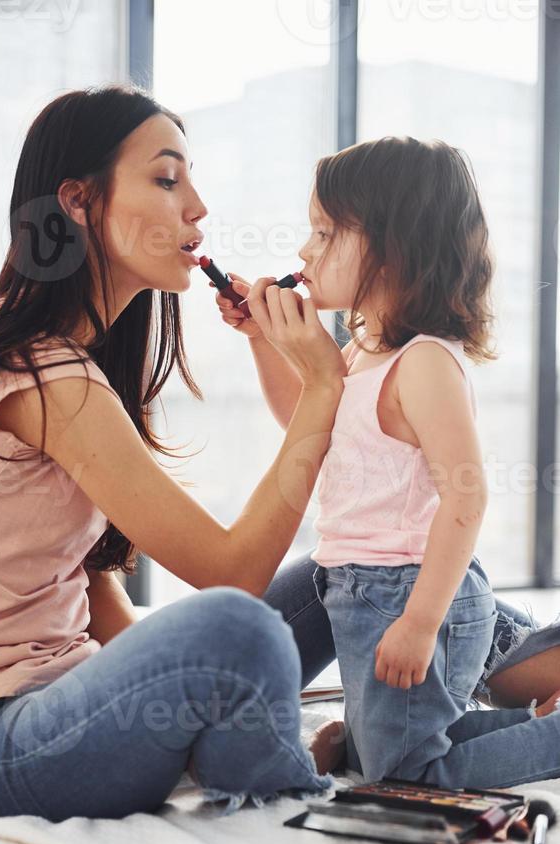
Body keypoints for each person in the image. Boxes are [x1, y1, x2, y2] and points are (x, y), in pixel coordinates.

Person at [0, 85, 345, 820]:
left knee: (347, 574)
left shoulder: (75, 361)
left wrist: (168, 673)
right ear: (78, 202)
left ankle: (496, 681)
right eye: (167, 179)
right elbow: (231, 574)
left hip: (57, 704)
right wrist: (322, 384)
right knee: (239, 628)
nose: (197, 206)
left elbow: (82, 584)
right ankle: (285, 769)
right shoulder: (39, 370)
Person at [214, 136, 560, 790]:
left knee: (409, 774)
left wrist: (421, 622)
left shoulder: (424, 362)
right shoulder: (362, 349)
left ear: (393, 250)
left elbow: (468, 498)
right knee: (386, 749)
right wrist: (263, 341)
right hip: (348, 578)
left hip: (406, 590)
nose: (303, 251)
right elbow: (306, 426)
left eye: (324, 233)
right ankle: (374, 735)